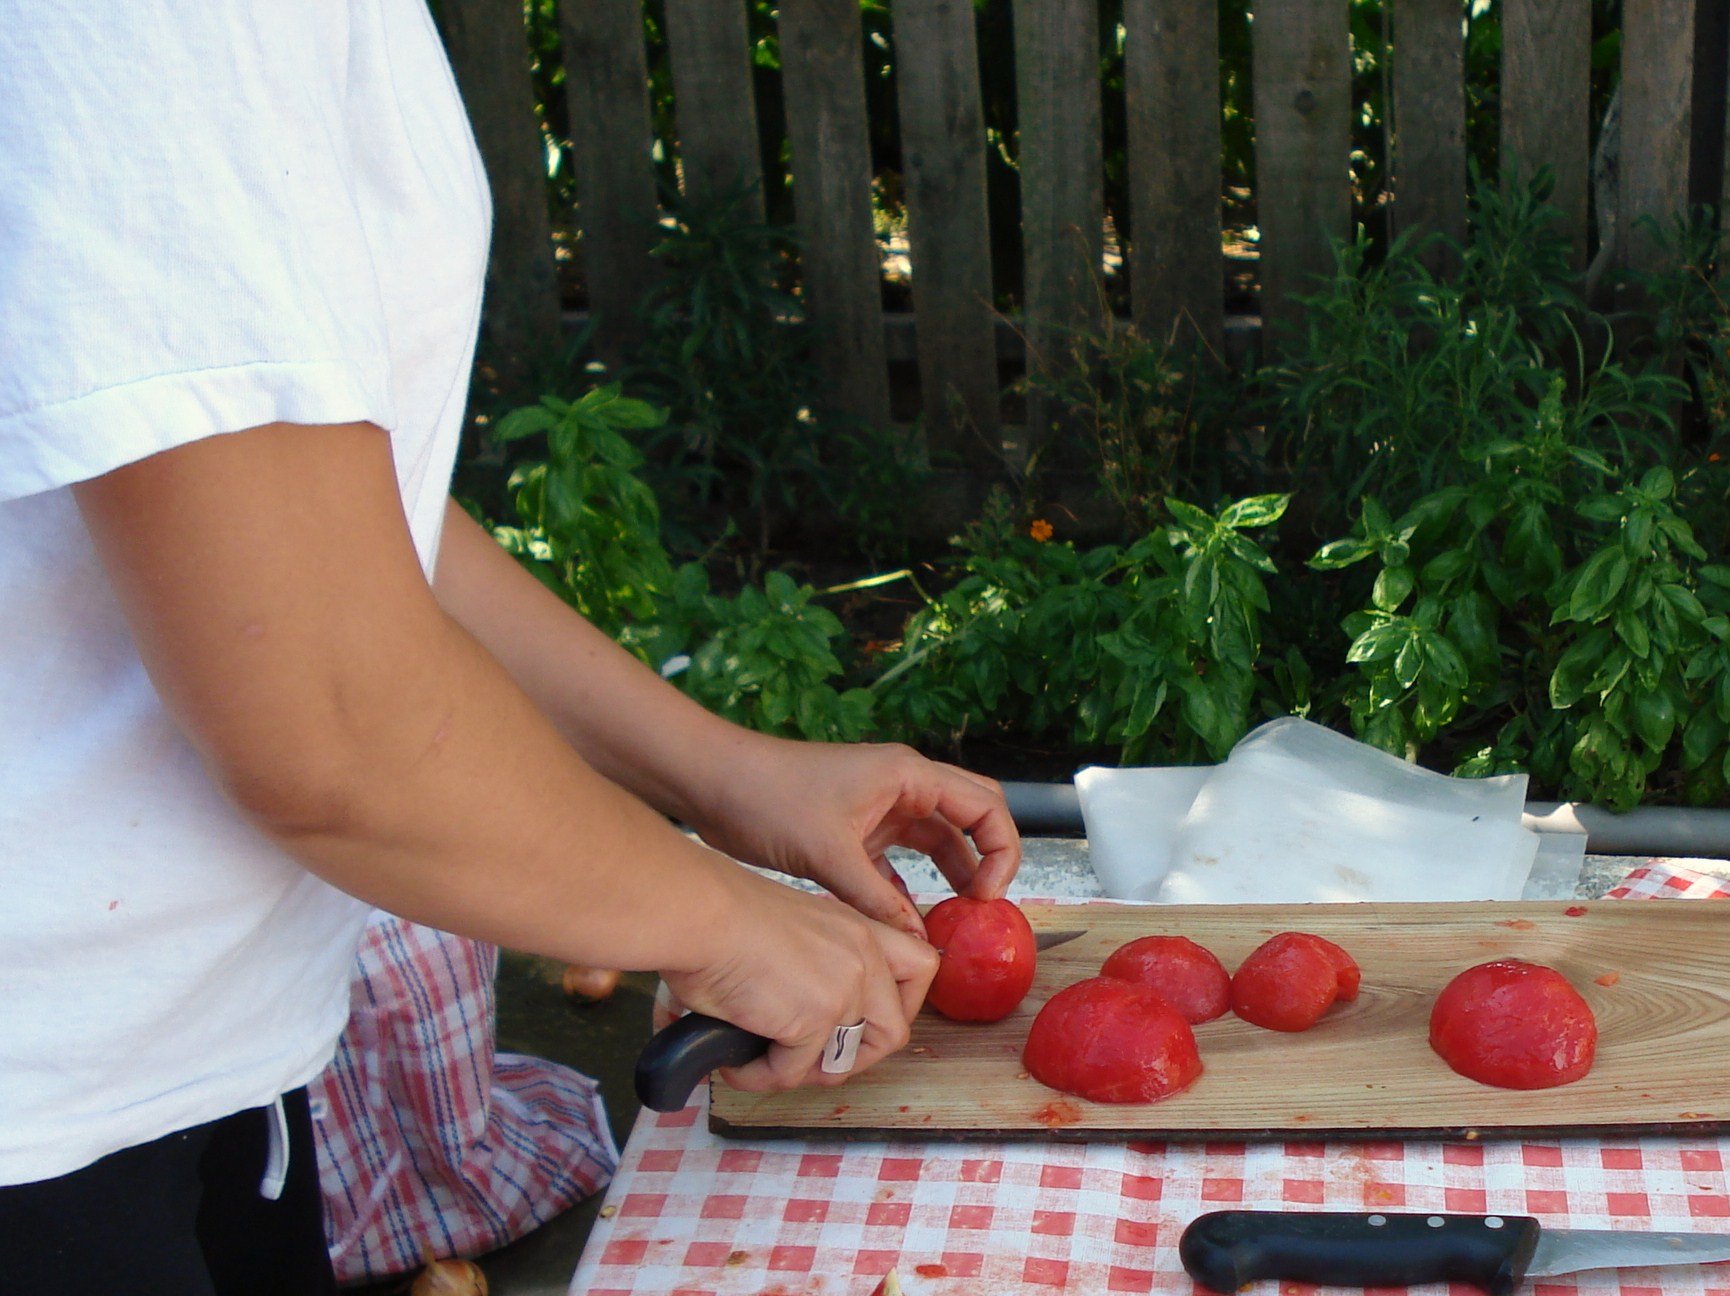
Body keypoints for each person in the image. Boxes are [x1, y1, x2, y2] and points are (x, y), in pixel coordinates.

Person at [0, 5, 1022, 1293]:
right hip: (37, 1110)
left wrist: (723, 775)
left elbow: (324, 520)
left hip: (174, 1062)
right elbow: (329, 724)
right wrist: (716, 918)